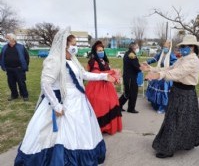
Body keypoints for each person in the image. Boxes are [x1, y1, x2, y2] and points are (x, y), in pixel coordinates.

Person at [14, 28, 114, 165]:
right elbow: (46, 84)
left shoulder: (73, 59)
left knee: (81, 130)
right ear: (64, 45)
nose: (75, 47)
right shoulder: (55, 60)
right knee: (59, 134)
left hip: (78, 101)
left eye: (75, 44)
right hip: (62, 101)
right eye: (73, 44)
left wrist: (104, 76)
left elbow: (84, 75)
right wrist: (56, 105)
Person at [143, 34, 199, 158]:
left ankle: (168, 149)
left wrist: (159, 76)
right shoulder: (183, 59)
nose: (182, 49)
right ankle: (178, 144)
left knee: (181, 120)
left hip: (186, 94)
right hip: (177, 91)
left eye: (185, 46)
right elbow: (169, 68)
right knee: (175, 119)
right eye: (182, 46)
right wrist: (152, 69)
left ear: (192, 47)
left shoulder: (193, 61)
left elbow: (178, 73)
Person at [85, 41, 122, 135]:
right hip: (96, 87)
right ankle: (100, 127)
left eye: (102, 50)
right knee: (101, 105)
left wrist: (115, 77)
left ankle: (108, 127)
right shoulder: (93, 62)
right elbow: (96, 74)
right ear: (95, 51)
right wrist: (111, 72)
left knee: (112, 102)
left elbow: (108, 72)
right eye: (99, 50)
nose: (101, 52)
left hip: (107, 86)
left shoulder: (105, 61)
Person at [144, 40, 177, 114]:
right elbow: (154, 59)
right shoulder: (161, 54)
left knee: (164, 91)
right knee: (155, 89)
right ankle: (156, 104)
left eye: (166, 47)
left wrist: (165, 71)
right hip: (158, 74)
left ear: (169, 47)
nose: (165, 48)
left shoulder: (171, 56)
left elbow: (174, 66)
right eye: (164, 47)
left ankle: (163, 107)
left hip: (166, 76)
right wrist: (147, 62)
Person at [0, 33, 29, 101]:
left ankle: (24, 95)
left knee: (21, 82)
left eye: (8, 38)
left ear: (13, 39)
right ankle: (14, 95)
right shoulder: (4, 47)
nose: (7, 40)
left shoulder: (21, 47)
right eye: (7, 39)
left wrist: (24, 67)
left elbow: (26, 57)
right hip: (9, 69)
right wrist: (3, 66)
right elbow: (1, 57)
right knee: (11, 83)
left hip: (19, 68)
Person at [119, 42, 141, 114]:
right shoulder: (132, 55)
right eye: (137, 47)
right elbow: (136, 66)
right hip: (130, 77)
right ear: (134, 48)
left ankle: (119, 105)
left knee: (127, 92)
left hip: (128, 77)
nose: (138, 48)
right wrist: (142, 68)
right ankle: (130, 108)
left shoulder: (127, 53)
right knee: (132, 93)